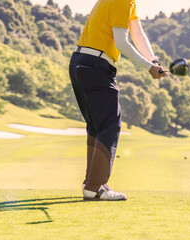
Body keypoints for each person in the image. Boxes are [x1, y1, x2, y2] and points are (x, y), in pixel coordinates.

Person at [69, 0, 167, 201]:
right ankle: (95, 187)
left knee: (97, 126)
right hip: (96, 65)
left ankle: (91, 183)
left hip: (81, 63)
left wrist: (153, 60)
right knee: (110, 125)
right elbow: (122, 42)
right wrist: (148, 67)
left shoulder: (126, 2)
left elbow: (137, 32)